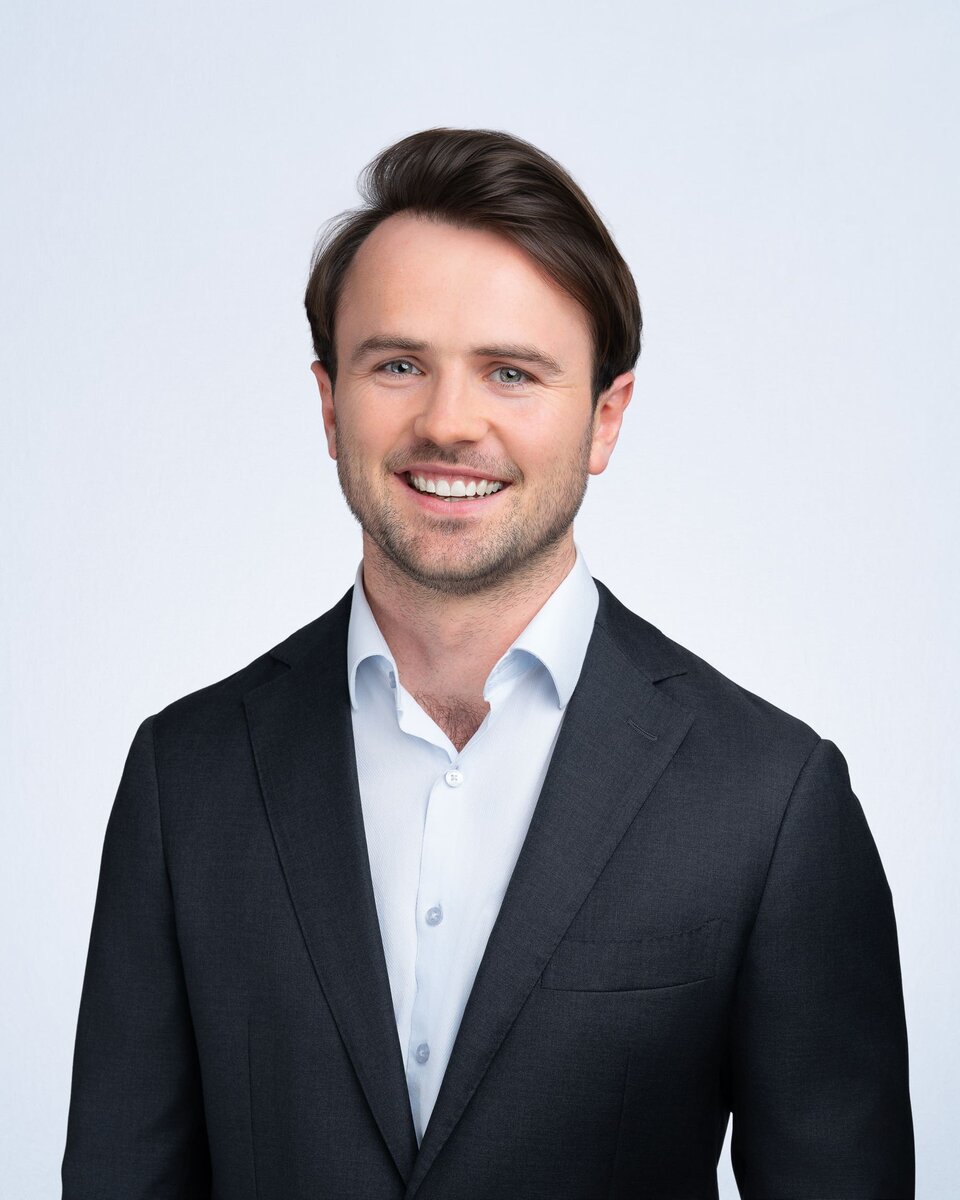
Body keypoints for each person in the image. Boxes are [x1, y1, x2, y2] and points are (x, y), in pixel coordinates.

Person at [62, 128, 914, 1199]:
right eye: (398, 365)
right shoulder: (185, 777)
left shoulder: (770, 799)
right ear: (329, 402)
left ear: (605, 418)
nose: (448, 423)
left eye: (511, 373)